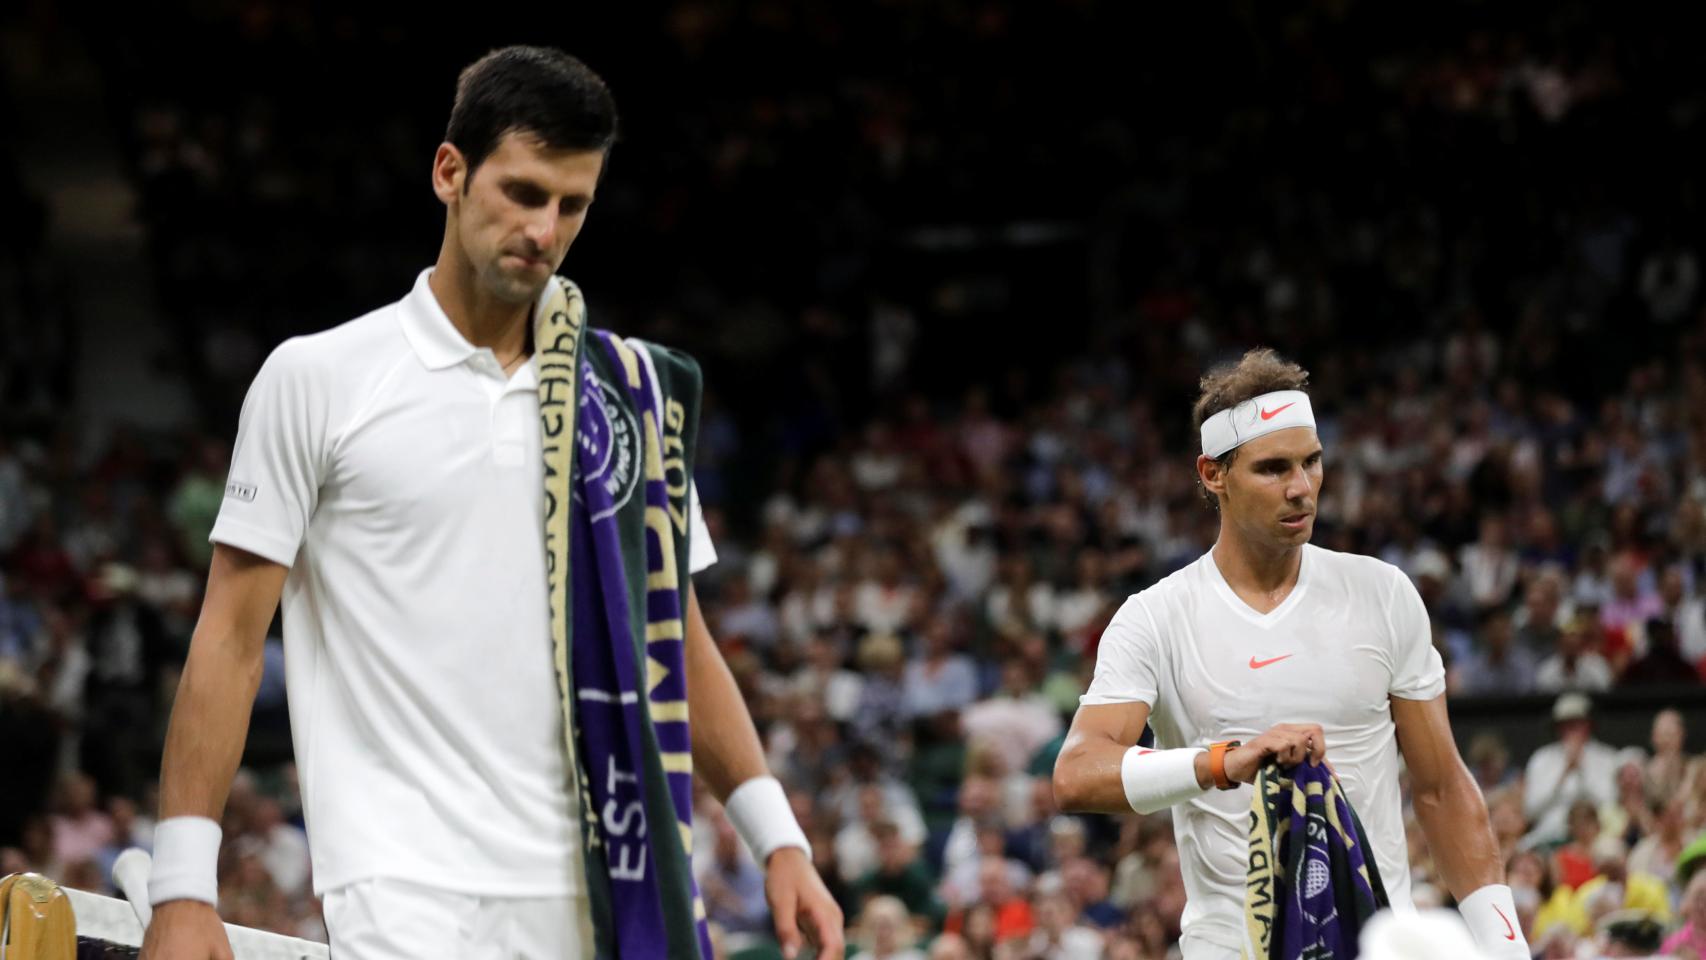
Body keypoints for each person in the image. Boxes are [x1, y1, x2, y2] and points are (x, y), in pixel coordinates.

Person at [139, 47, 841, 960]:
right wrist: (183, 886)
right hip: (403, 886)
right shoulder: (317, 378)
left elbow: (674, 635)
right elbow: (230, 639)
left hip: (601, 876)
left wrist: (777, 836)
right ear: (449, 173)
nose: (544, 229)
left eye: (572, 205)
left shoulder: (624, 398)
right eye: (521, 192)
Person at [1053, 348, 1527, 959]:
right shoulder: (1155, 617)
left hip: (1376, 940)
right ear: (1212, 474)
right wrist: (1223, 762)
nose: (1302, 489)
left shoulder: (1384, 594)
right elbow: (1076, 773)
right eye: (1273, 468)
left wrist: (1507, 947)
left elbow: (1440, 789)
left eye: (1312, 462)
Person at [1522, 693, 1622, 848]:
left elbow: (1609, 804)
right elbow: (1531, 810)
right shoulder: (1541, 759)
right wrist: (1564, 773)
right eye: (1565, 725)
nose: (1570, 730)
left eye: (1576, 724)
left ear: (1589, 725)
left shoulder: (1607, 757)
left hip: (1596, 839)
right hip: (1549, 837)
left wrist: (1582, 770)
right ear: (1557, 727)